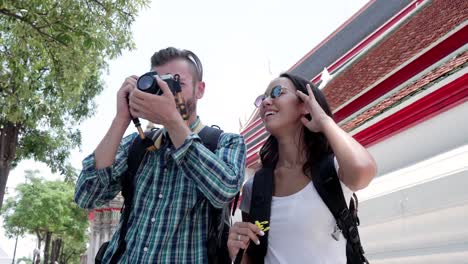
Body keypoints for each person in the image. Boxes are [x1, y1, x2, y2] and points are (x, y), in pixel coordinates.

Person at [74, 47, 246, 263]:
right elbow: (86, 196)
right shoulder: (137, 145)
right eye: (159, 85)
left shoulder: (225, 142)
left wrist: (172, 120)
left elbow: (224, 191)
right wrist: (121, 118)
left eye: (176, 84)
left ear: (199, 90)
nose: (167, 93)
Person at [227, 73, 377, 263]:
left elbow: (364, 170)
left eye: (277, 92)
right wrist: (236, 253)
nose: (266, 102)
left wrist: (323, 121)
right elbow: (253, 256)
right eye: (263, 98)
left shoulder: (332, 169)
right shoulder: (254, 186)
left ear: (304, 104)